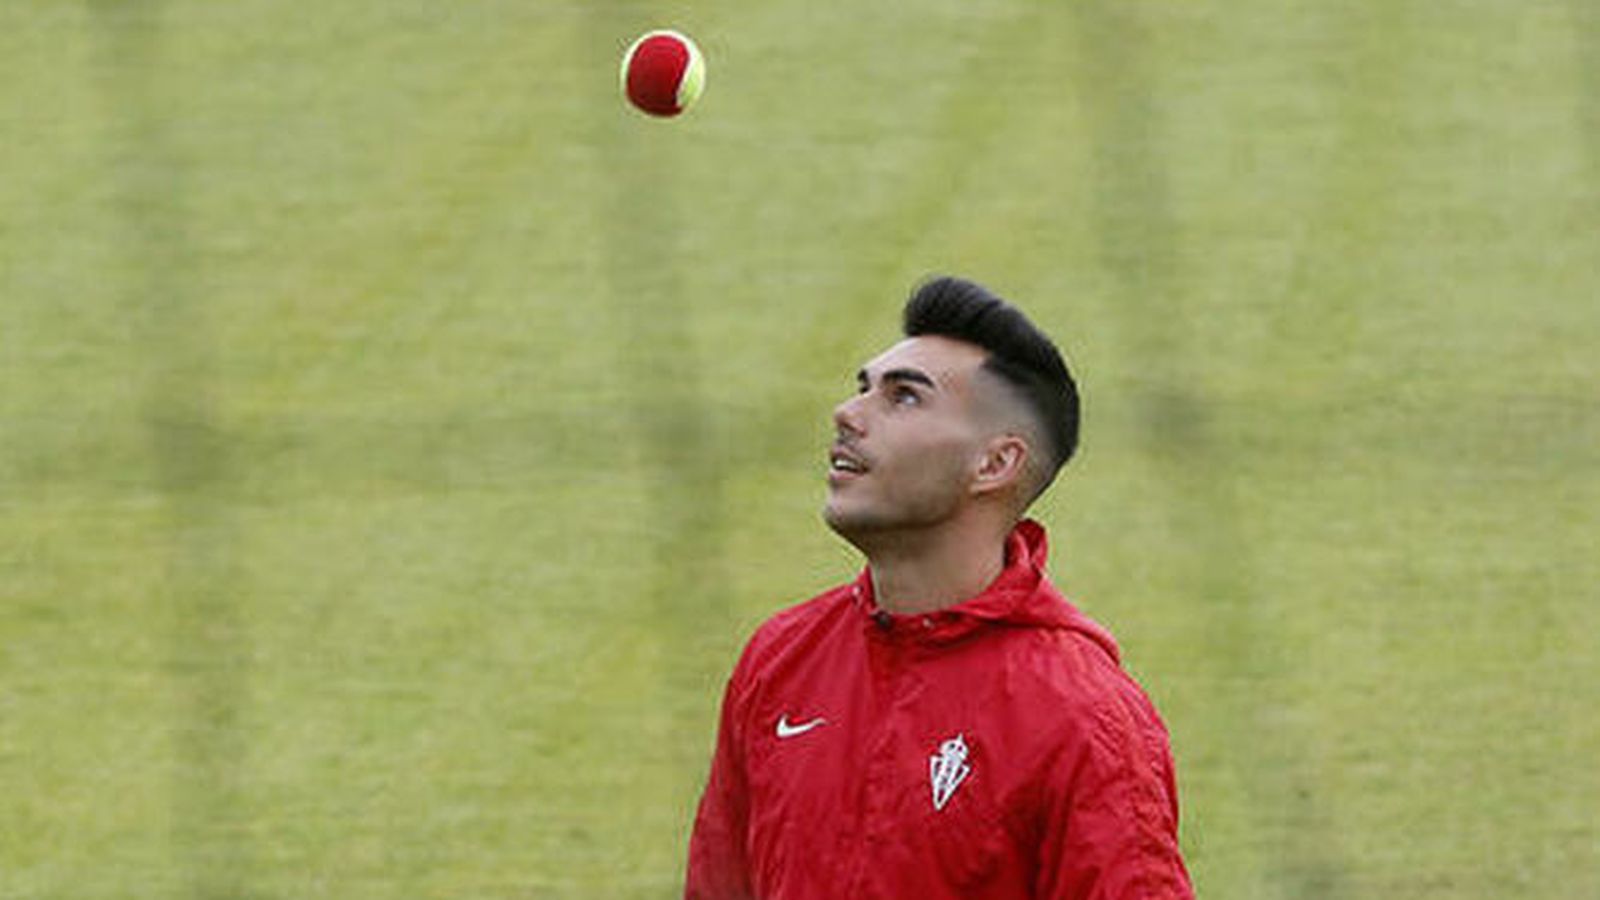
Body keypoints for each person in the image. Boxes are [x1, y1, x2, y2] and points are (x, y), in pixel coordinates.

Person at [684, 276, 1193, 899]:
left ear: (995, 464)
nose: (848, 414)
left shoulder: (1082, 718)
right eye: (863, 388)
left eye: (903, 399)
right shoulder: (782, 659)